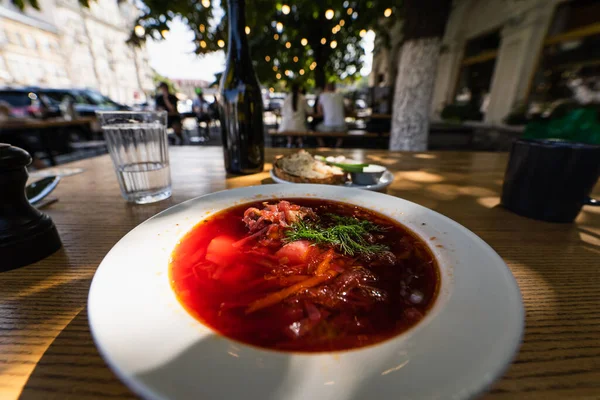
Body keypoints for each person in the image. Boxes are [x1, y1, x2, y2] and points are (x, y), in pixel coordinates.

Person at [279, 83, 311, 148]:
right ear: (299, 89)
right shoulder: (303, 98)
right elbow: (310, 111)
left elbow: (282, 112)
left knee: (291, 125)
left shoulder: (287, 98)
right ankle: (300, 143)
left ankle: (289, 143)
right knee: (299, 125)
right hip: (299, 127)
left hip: (286, 127)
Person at [316, 82, 347, 147]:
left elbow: (319, 111)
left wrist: (325, 113)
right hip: (341, 126)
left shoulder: (323, 95)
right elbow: (345, 109)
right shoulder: (340, 95)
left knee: (317, 129)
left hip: (328, 126)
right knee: (344, 129)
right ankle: (338, 146)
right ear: (334, 88)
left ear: (326, 88)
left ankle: (322, 145)